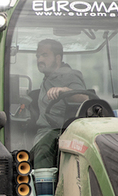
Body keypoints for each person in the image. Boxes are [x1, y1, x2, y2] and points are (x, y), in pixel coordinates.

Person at [31, 39, 88, 167]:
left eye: (44, 55)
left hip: (58, 131)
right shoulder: (48, 77)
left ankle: (42, 184)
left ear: (58, 58)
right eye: (38, 56)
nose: (39, 60)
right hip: (45, 132)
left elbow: (84, 98)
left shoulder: (69, 75)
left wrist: (65, 91)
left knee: (43, 150)